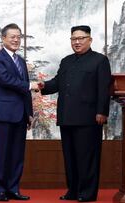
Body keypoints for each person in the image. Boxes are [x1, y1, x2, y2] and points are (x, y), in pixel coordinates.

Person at [36, 25, 112, 202]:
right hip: (66, 116)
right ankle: (73, 191)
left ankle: (87, 193)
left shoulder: (100, 60)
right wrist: (43, 86)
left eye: (81, 38)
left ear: (90, 40)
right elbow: (57, 82)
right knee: (70, 157)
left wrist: (102, 111)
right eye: (73, 39)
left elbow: (104, 88)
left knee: (87, 157)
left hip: (89, 117)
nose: (77, 42)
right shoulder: (66, 61)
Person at [0, 23, 37, 201]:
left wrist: (29, 113)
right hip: (3, 113)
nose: (16, 40)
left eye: (18, 37)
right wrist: (29, 85)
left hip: (20, 115)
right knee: (1, 153)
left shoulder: (21, 61)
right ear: (3, 38)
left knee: (17, 154)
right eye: (12, 37)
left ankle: (13, 188)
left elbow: (24, 92)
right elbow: (5, 80)